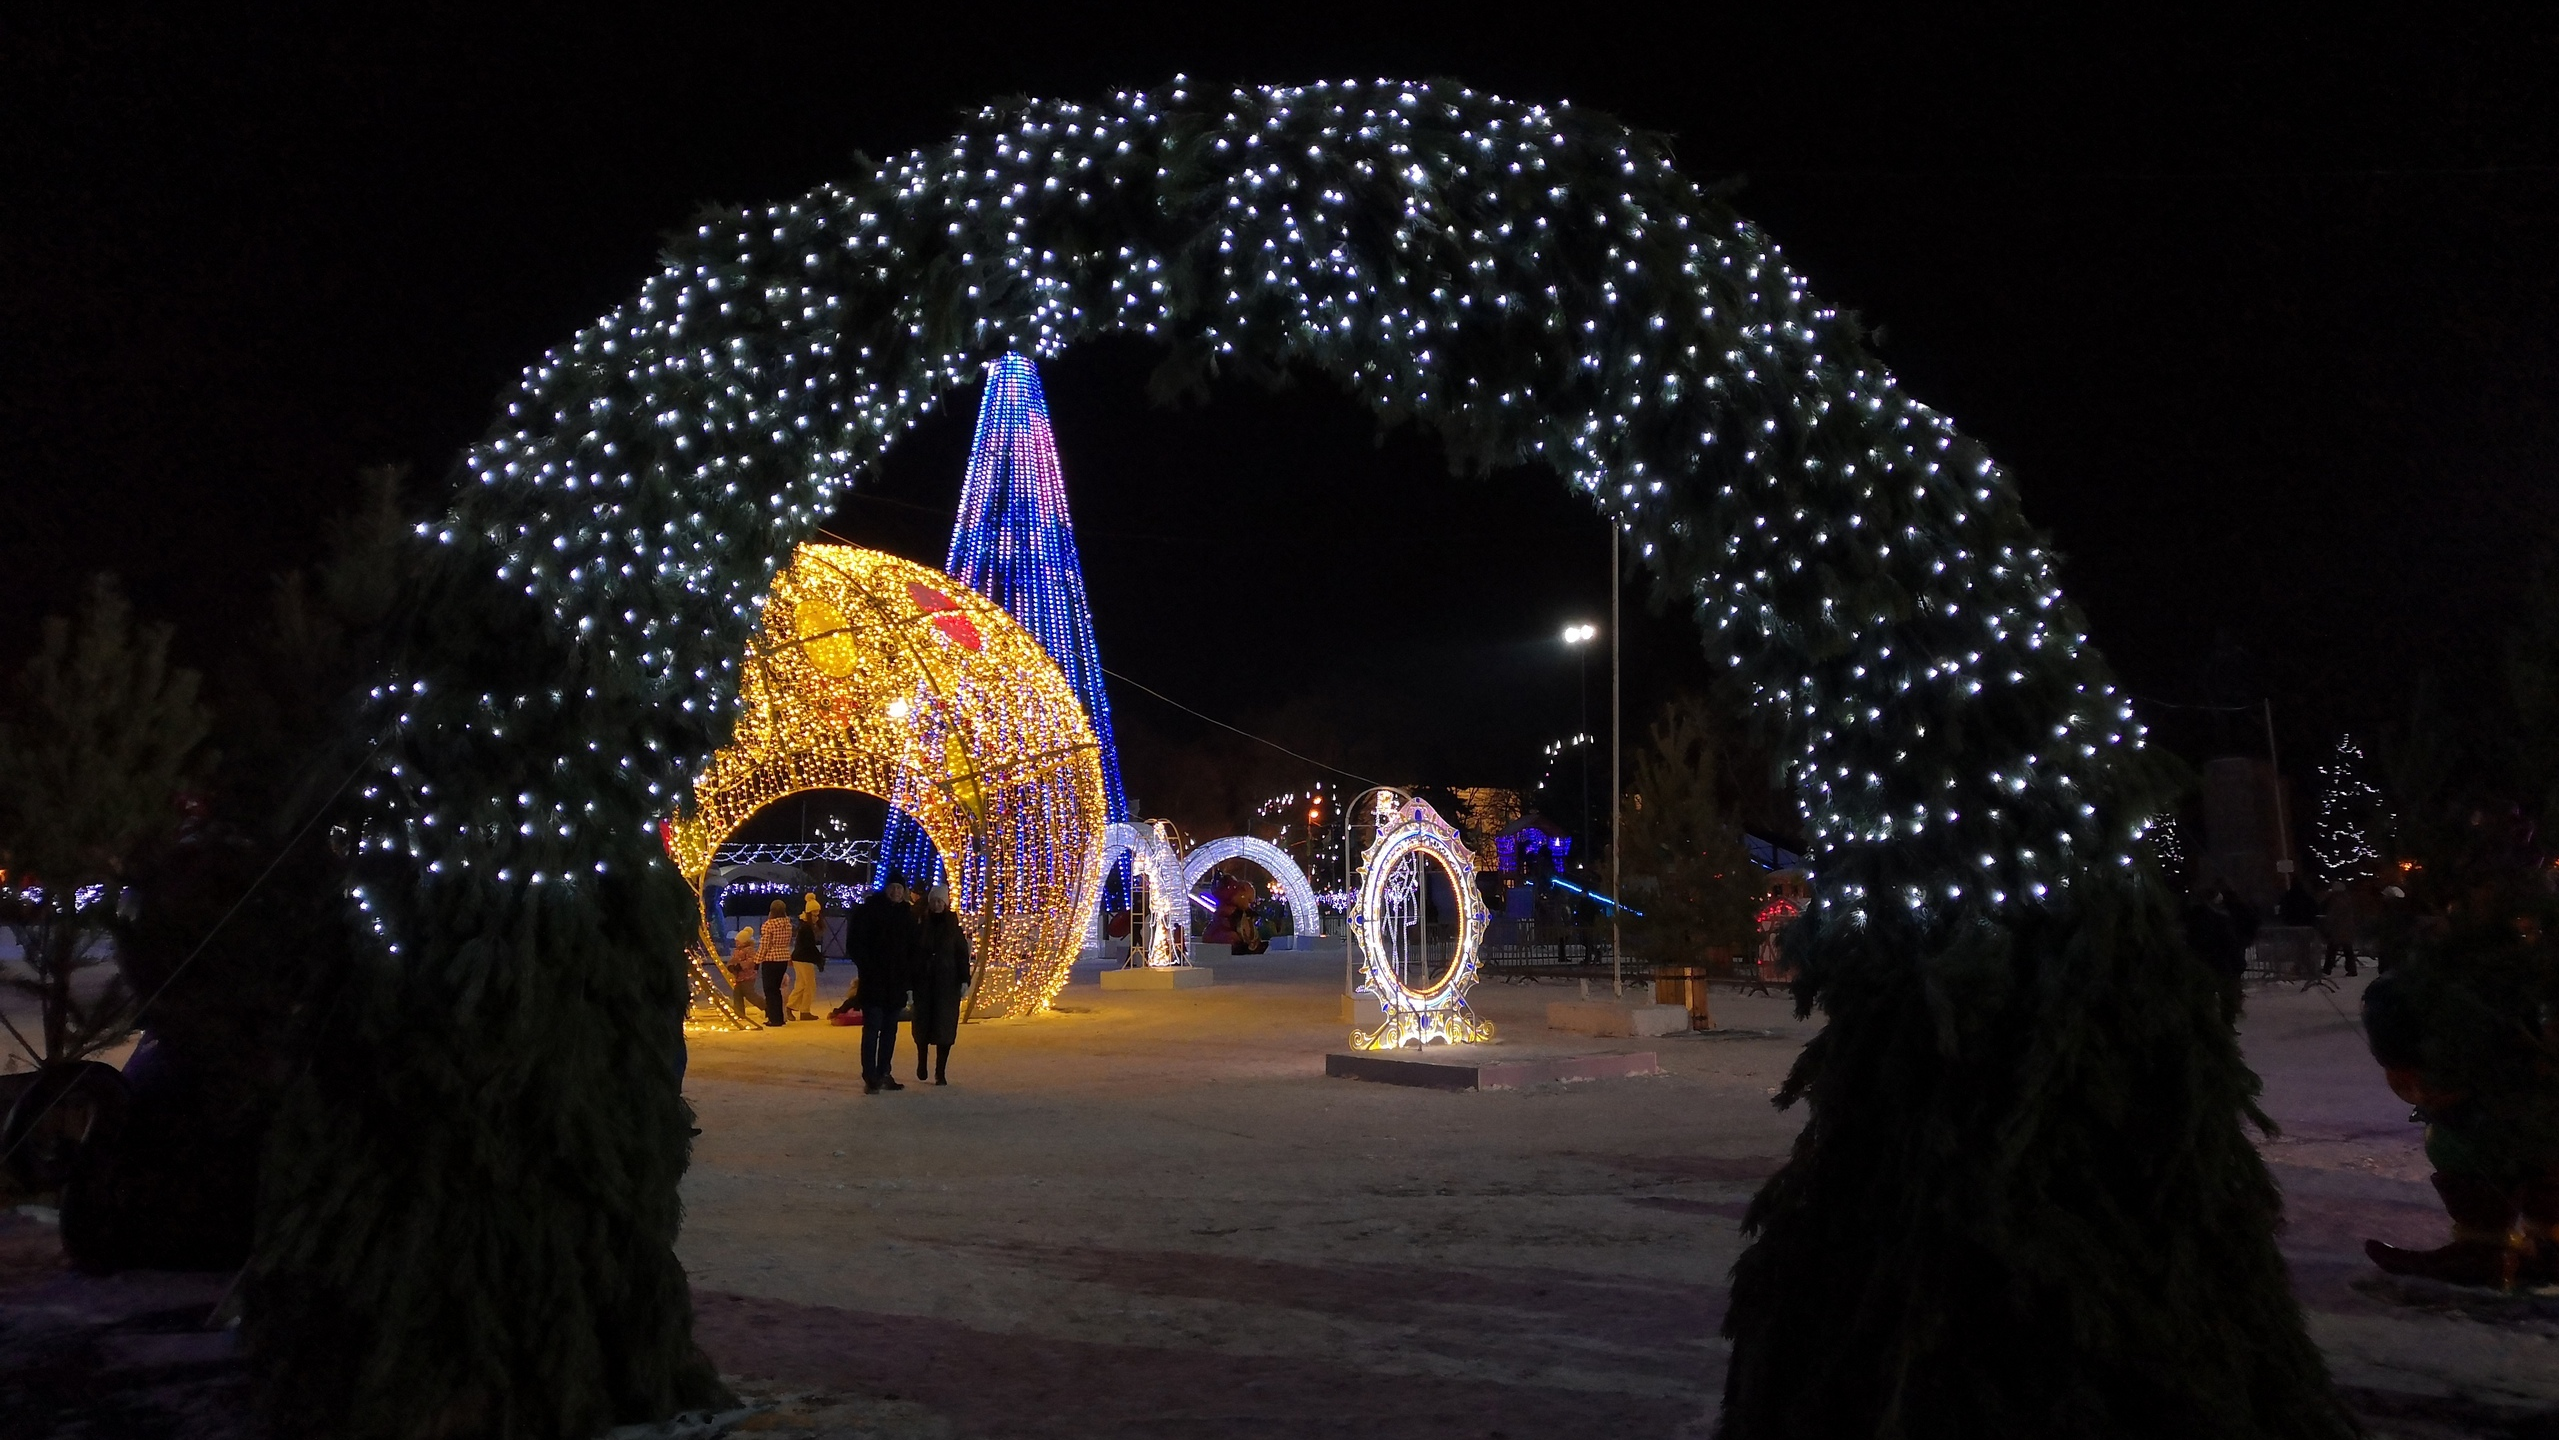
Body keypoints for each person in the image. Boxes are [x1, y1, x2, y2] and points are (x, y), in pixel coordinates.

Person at [839, 879, 918, 1092]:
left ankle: (884, 1071)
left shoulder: (907, 916)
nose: (895, 892)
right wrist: (868, 967)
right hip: (874, 981)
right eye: (892, 887)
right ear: (886, 890)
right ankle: (870, 1075)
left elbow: (913, 948)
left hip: (896, 982)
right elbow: (855, 944)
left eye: (899, 888)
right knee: (873, 1028)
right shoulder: (869, 911)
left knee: (890, 1030)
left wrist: (907, 975)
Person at [910, 884, 973, 1085]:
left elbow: (962, 955)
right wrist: (911, 982)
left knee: (944, 1027)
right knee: (922, 1024)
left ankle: (940, 1071)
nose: (936, 905)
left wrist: (964, 980)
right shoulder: (921, 926)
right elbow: (914, 955)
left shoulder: (954, 929)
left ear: (945, 904)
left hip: (947, 984)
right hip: (925, 982)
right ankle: (922, 1061)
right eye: (934, 901)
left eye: (940, 901)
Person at [2182, 887, 2245, 1023]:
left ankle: (2207, 1023)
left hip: (2203, 962)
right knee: (2226, 995)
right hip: (2220, 962)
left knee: (2206, 995)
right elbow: (2230, 942)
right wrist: (2238, 962)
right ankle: (2225, 1023)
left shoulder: (2193, 919)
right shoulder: (2220, 919)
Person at [755, 898, 795, 1026]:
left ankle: (774, 1018)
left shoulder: (769, 925)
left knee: (770, 990)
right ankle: (779, 1017)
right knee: (776, 989)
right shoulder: (788, 924)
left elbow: (765, 945)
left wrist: (757, 961)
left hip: (771, 959)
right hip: (783, 957)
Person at [787, 893, 824, 1021]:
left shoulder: (804, 926)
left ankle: (791, 1007)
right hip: (804, 959)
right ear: (809, 913)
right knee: (809, 985)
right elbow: (809, 947)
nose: (816, 917)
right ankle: (804, 1010)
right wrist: (819, 959)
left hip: (799, 958)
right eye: (814, 914)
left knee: (801, 984)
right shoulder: (807, 928)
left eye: (817, 914)